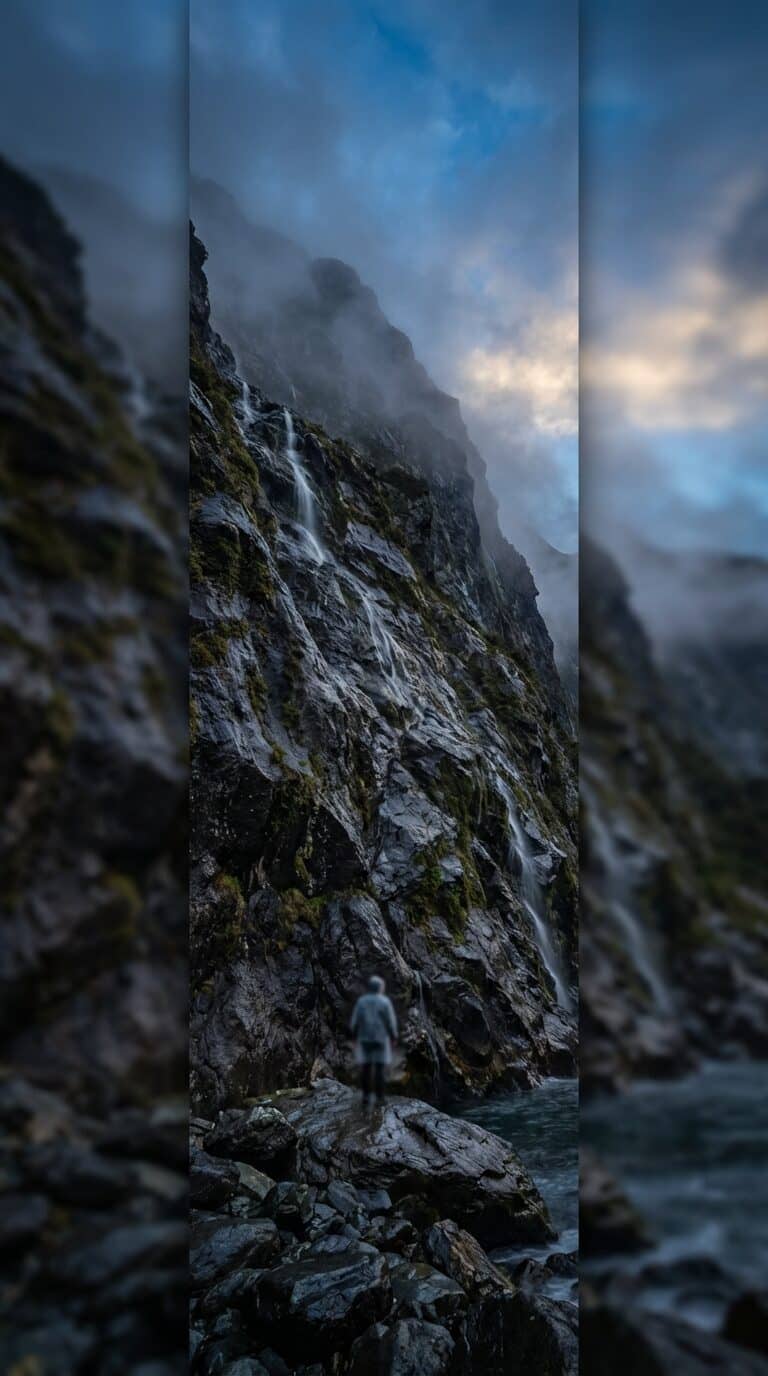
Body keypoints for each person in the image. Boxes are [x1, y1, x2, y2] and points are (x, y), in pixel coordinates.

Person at [350, 975, 398, 1109]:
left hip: (364, 1039)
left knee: (365, 1069)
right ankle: (380, 1098)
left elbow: (355, 1021)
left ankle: (365, 1098)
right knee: (379, 1070)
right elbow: (390, 1022)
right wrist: (393, 1037)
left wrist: (353, 1037)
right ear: (378, 988)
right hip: (380, 1040)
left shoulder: (361, 1001)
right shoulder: (385, 1002)